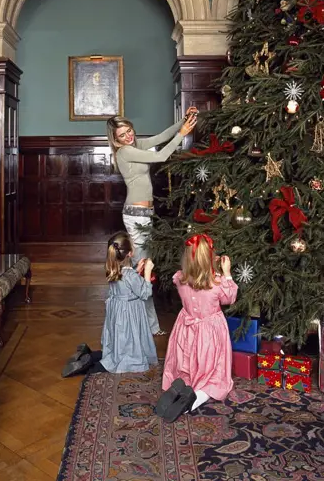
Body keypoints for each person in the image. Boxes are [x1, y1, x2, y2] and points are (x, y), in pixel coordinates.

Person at [106, 108, 198, 335]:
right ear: (116, 141)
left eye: (129, 131)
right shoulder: (125, 153)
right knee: (143, 270)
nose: (128, 136)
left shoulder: (135, 145)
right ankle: (146, 325)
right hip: (136, 216)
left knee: (145, 269)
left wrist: (182, 122)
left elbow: (159, 138)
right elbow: (160, 156)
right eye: (122, 135)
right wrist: (183, 134)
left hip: (144, 215)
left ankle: (146, 324)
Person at [156, 234, 238, 423]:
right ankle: (195, 399)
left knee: (187, 363)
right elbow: (230, 298)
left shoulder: (180, 278)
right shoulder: (217, 284)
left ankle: (182, 386)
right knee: (214, 373)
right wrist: (226, 273)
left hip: (186, 328)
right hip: (209, 332)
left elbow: (193, 277)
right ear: (211, 258)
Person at [62, 231, 158, 377]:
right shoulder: (130, 276)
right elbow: (145, 293)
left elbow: (126, 284)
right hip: (128, 315)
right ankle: (88, 368)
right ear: (130, 253)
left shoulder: (114, 269)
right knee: (125, 350)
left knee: (117, 345)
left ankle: (88, 356)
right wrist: (147, 272)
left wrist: (136, 271)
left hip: (117, 313)